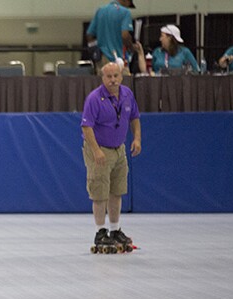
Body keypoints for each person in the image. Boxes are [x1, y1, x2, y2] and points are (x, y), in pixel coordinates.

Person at [81, 62, 141, 251]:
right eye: (109, 77)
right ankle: (100, 231)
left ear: (121, 76)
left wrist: (137, 138)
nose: (113, 80)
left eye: (116, 76)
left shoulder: (127, 95)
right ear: (102, 78)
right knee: (99, 191)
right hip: (100, 149)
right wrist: (96, 150)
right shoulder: (94, 98)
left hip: (119, 149)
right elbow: (86, 126)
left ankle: (115, 229)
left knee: (117, 190)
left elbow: (135, 118)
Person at [85, 0, 136, 72]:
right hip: (119, 59)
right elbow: (125, 35)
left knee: (103, 82)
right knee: (122, 81)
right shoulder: (125, 12)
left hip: (101, 59)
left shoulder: (100, 11)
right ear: (126, 1)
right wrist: (131, 48)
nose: (127, 7)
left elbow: (89, 35)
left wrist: (97, 48)